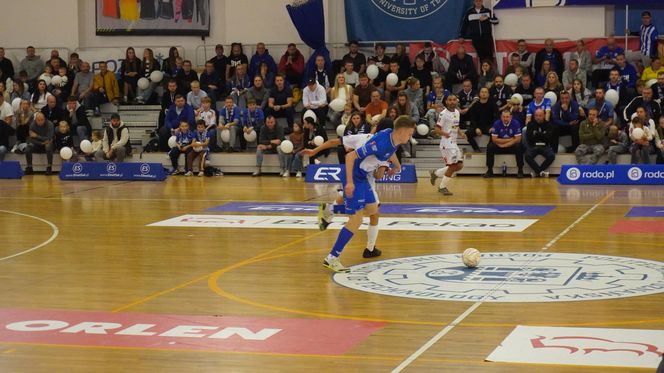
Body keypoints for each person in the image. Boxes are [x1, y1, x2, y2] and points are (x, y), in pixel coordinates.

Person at [323, 116, 415, 272]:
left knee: (373, 210)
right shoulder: (381, 144)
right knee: (356, 220)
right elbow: (350, 156)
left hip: (363, 176)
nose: (410, 137)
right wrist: (350, 182)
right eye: (410, 133)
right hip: (354, 177)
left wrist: (397, 166)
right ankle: (332, 257)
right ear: (403, 131)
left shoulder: (392, 136)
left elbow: (391, 152)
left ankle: (330, 210)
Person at [430, 95, 465, 195]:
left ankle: (435, 173)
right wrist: (445, 134)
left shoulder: (457, 112)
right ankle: (442, 187)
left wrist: (461, 133)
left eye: (454, 100)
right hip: (447, 144)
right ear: (446, 101)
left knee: (459, 166)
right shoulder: (443, 114)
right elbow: (436, 129)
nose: (452, 102)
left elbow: (455, 126)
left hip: (454, 143)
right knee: (453, 166)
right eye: (450, 100)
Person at [484, 110, 524, 178]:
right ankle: (489, 170)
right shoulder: (496, 123)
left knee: (519, 146)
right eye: (503, 117)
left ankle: (520, 170)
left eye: (507, 117)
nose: (505, 119)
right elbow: (494, 139)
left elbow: (518, 140)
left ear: (511, 117)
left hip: (510, 146)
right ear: (501, 117)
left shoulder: (516, 123)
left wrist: (505, 145)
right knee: (490, 146)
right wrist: (511, 139)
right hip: (499, 146)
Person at [524, 109, 555, 177]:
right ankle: (541, 172)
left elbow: (548, 138)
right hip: (533, 145)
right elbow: (530, 138)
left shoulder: (548, 124)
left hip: (545, 146)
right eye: (536, 115)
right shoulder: (530, 124)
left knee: (551, 156)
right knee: (527, 156)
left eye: (540, 115)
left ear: (544, 116)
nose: (538, 117)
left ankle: (537, 171)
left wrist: (536, 133)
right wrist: (543, 134)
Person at [466, 87, 497, 151]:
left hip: (488, 127)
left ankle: (489, 149)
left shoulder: (493, 105)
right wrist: (476, 128)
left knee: (495, 132)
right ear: (479, 94)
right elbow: (472, 119)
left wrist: (492, 127)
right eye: (482, 92)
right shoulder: (475, 105)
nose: (484, 94)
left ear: (488, 94)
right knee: (467, 133)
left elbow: (496, 117)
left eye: (485, 92)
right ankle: (476, 149)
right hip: (478, 126)